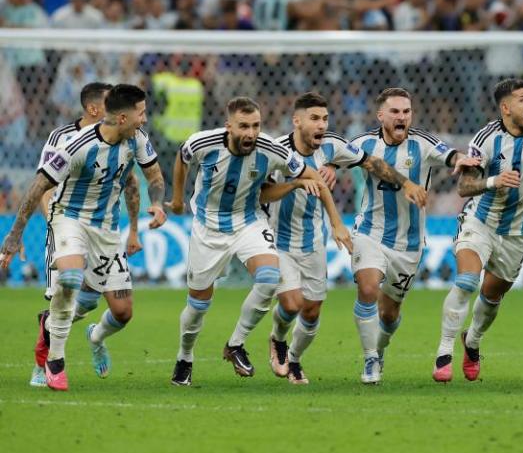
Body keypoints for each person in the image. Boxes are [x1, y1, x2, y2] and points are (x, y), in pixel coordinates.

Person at [166, 96, 348, 387]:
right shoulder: (203, 142)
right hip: (208, 226)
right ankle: (184, 358)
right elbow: (181, 159)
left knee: (268, 277)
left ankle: (235, 343)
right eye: (243, 126)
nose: (251, 133)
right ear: (229, 126)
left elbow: (310, 175)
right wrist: (177, 200)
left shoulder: (270, 150)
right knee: (198, 305)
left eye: (256, 126)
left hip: (249, 220)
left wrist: (334, 220)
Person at [250, 91, 425, 385]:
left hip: (313, 241)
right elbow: (261, 193)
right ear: (297, 121)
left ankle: (294, 359)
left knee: (312, 310)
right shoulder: (277, 151)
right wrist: (297, 183)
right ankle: (278, 339)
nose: (321, 125)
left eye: (325, 118)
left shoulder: (332, 146)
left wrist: (405, 182)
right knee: (292, 304)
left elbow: (371, 163)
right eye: (315, 119)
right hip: (278, 239)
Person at [1, 84, 167, 391]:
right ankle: (55, 360)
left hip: (106, 228)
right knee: (70, 279)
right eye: (140, 113)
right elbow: (38, 186)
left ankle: (94, 336)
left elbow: (153, 177)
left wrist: (155, 203)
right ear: (121, 117)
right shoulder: (76, 145)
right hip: (70, 219)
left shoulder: (137, 140)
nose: (144, 120)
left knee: (122, 311)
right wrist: (15, 234)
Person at [431, 78, 523, 382]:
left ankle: (472, 342)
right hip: (481, 222)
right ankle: (444, 352)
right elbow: (464, 186)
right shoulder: (486, 139)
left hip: (519, 232)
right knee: (466, 280)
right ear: (506, 107)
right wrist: (492, 181)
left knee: (492, 296)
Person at [346, 88, 477, 384]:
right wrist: (327, 168)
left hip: (409, 245)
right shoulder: (363, 143)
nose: (401, 117)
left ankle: (379, 349)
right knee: (367, 288)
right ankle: (369, 359)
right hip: (370, 232)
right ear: (381, 115)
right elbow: (340, 157)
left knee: (389, 313)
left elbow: (448, 153)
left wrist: (460, 159)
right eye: (394, 111)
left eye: (406, 111)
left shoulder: (423, 143)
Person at [30, 82, 143, 388]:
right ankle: (46, 365)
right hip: (67, 225)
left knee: (106, 306)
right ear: (95, 109)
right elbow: (44, 186)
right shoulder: (64, 138)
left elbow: (130, 181)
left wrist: (133, 228)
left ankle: (87, 334)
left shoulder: (125, 140)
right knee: (66, 289)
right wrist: (56, 227)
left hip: (105, 230)